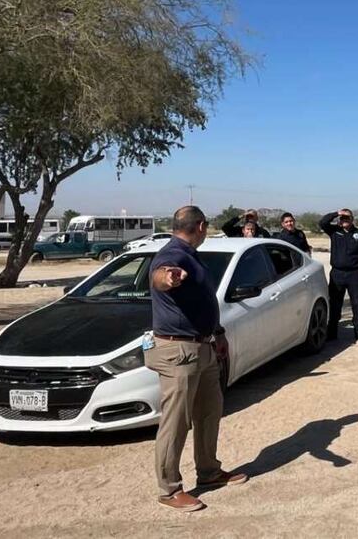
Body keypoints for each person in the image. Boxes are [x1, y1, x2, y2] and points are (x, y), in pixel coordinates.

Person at [146, 205, 247, 512]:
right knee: (176, 422)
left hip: (202, 347)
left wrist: (217, 333)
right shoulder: (173, 254)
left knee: (209, 412)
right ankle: (169, 489)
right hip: (178, 352)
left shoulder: (190, 253)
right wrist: (169, 278)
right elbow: (160, 275)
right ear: (201, 225)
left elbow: (200, 301)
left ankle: (209, 472)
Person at [319, 209, 358, 342]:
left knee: (357, 303)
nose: (344, 220)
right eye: (342, 218)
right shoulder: (334, 231)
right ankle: (332, 332)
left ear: (352, 219)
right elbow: (322, 222)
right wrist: (337, 213)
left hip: (354, 274)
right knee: (335, 304)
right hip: (337, 273)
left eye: (347, 218)